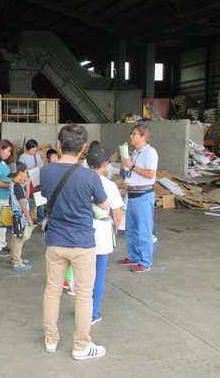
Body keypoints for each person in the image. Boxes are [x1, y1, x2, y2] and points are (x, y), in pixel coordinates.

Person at [40, 124, 109, 360]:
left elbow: (47, 196)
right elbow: (104, 205)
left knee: (52, 291)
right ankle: (81, 346)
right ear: (83, 149)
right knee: (83, 295)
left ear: (59, 146)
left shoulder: (45, 171)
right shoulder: (90, 175)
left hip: (56, 241)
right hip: (82, 243)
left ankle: (51, 339)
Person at [86, 144, 123, 325]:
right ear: (106, 164)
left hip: (81, 234)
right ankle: (92, 313)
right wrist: (114, 231)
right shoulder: (109, 186)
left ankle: (82, 309)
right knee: (98, 275)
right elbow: (117, 215)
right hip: (101, 235)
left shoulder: (79, 181)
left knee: (83, 274)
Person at [119, 124, 158, 273]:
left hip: (144, 195)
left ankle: (145, 260)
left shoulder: (150, 153)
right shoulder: (135, 153)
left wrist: (132, 166)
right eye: (131, 133)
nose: (131, 136)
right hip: (133, 195)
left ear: (143, 136)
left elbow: (150, 174)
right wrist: (127, 171)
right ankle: (134, 256)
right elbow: (132, 171)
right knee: (131, 229)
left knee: (144, 230)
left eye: (134, 134)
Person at [7, 161, 33, 271]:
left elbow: (26, 197)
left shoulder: (15, 184)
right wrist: (29, 217)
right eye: (25, 172)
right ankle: (17, 262)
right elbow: (22, 203)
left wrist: (27, 185)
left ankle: (15, 257)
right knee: (19, 239)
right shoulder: (17, 187)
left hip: (15, 216)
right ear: (20, 172)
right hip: (20, 217)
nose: (26, 175)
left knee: (15, 236)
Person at [18, 139, 44, 224]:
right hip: (27, 181)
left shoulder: (37, 156)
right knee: (27, 201)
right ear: (28, 148)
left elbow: (41, 167)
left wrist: (38, 167)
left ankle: (41, 220)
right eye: (33, 148)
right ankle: (28, 219)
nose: (34, 150)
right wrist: (33, 168)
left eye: (35, 148)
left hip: (37, 181)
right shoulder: (23, 157)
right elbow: (21, 170)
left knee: (40, 202)